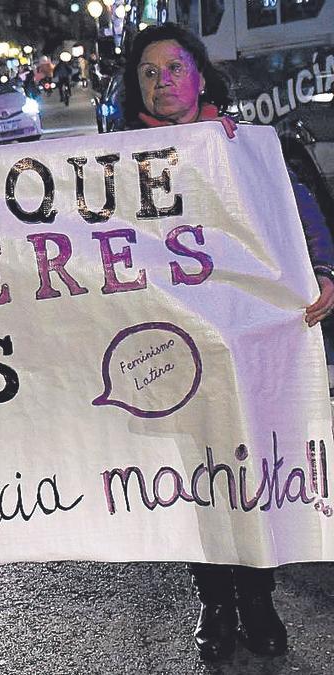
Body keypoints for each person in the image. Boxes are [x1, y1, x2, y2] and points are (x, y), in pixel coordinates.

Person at [121, 22, 334, 662]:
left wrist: (324, 270)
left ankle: (258, 598)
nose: (163, 82)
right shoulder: (114, 163)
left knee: (254, 470)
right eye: (149, 72)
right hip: (169, 346)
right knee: (196, 479)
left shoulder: (242, 145)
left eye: (175, 68)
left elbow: (297, 211)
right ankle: (213, 600)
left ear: (200, 75)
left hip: (245, 344)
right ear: (137, 86)